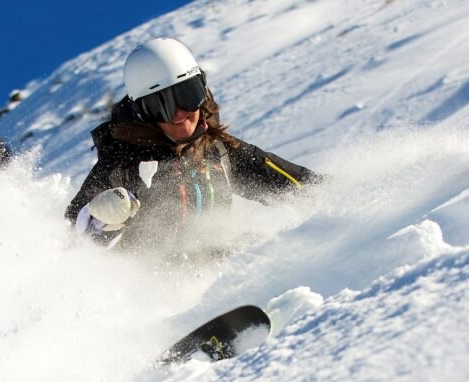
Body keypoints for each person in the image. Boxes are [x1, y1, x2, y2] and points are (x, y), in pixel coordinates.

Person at [66, 37, 322, 258]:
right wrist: (103, 215)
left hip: (217, 275)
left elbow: (297, 185)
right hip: (152, 286)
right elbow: (77, 223)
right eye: (160, 106)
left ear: (202, 90)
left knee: (257, 243)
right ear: (143, 113)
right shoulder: (126, 161)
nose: (179, 114)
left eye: (187, 95)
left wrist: (348, 199)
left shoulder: (218, 150)